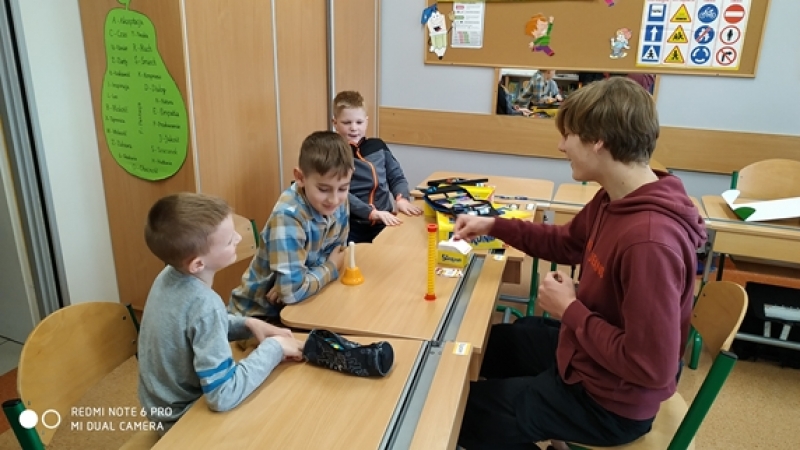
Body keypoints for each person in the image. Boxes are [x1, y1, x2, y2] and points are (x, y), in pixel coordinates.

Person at [454, 77, 706, 450]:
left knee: (461, 413)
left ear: (598, 140)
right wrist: (493, 225)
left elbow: (650, 367)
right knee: (496, 343)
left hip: (610, 404)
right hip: (587, 358)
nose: (561, 145)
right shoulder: (614, 199)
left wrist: (570, 309)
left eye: (568, 135)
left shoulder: (650, 242)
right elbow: (567, 243)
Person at [138, 193, 304, 435]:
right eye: (228, 241)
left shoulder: (168, 276)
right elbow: (222, 395)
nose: (238, 237)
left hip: (159, 409)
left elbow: (195, 326)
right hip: (182, 422)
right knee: (286, 417)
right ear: (197, 264)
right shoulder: (206, 304)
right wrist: (275, 348)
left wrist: (247, 324)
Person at [228, 131, 352, 321]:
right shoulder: (288, 216)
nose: (334, 199)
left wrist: (298, 283)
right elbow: (292, 292)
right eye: (323, 189)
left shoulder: (337, 202)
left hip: (298, 304)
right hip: (258, 318)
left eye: (343, 188)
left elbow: (337, 250)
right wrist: (330, 267)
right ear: (300, 177)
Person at [331, 90, 422, 243]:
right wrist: (371, 213)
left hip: (384, 221)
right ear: (335, 123)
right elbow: (341, 194)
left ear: (366, 121)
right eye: (347, 123)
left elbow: (396, 177)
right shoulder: (333, 153)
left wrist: (401, 198)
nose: (353, 128)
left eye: (359, 122)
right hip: (351, 226)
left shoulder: (378, 146)